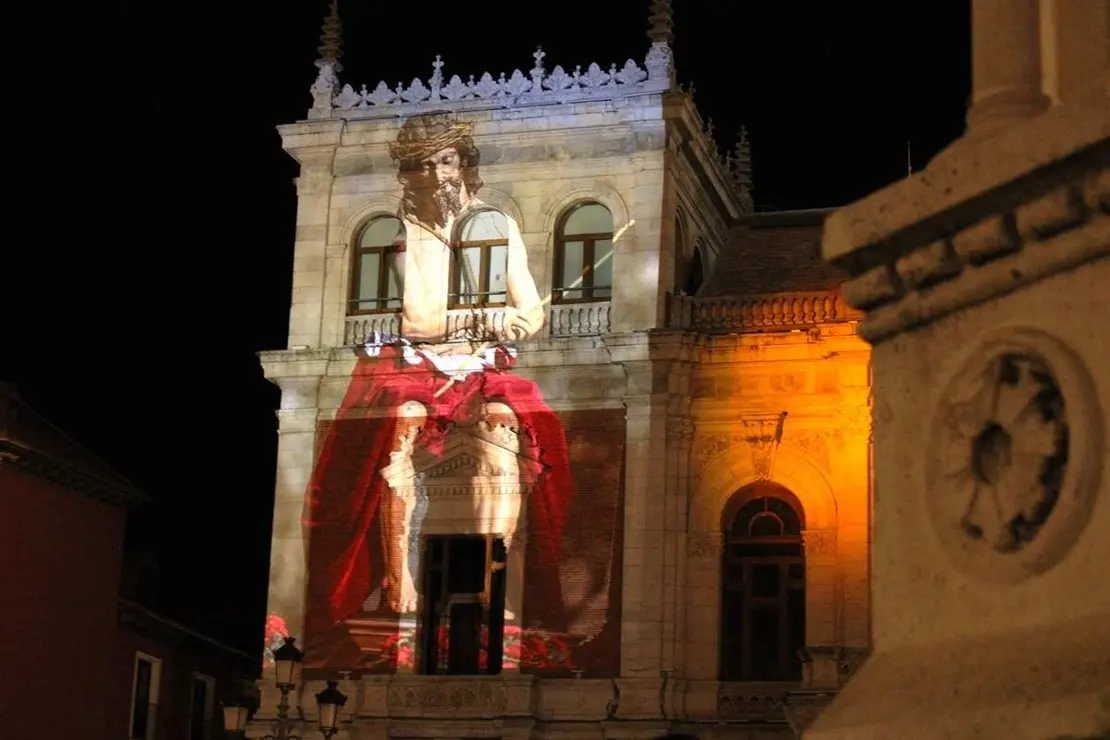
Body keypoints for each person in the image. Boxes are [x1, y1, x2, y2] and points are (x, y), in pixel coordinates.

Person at [301, 112, 574, 671]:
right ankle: (398, 581)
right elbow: (420, 321)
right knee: (402, 417)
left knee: (510, 420)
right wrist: (476, 321)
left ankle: (506, 584)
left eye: (444, 162)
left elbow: (530, 315)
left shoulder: (497, 223)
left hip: (481, 365)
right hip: (414, 365)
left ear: (464, 164)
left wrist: (498, 325)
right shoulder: (407, 232)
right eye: (421, 166)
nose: (434, 176)